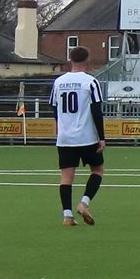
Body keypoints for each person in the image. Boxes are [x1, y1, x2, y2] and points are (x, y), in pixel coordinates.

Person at [52, 47, 105, 227]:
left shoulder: (59, 82)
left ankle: (67, 216)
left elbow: (54, 108)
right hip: (86, 136)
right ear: (87, 59)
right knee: (97, 170)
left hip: (65, 137)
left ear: (70, 60)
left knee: (66, 177)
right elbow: (96, 110)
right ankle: (83, 204)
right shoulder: (90, 82)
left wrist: (59, 128)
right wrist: (102, 137)